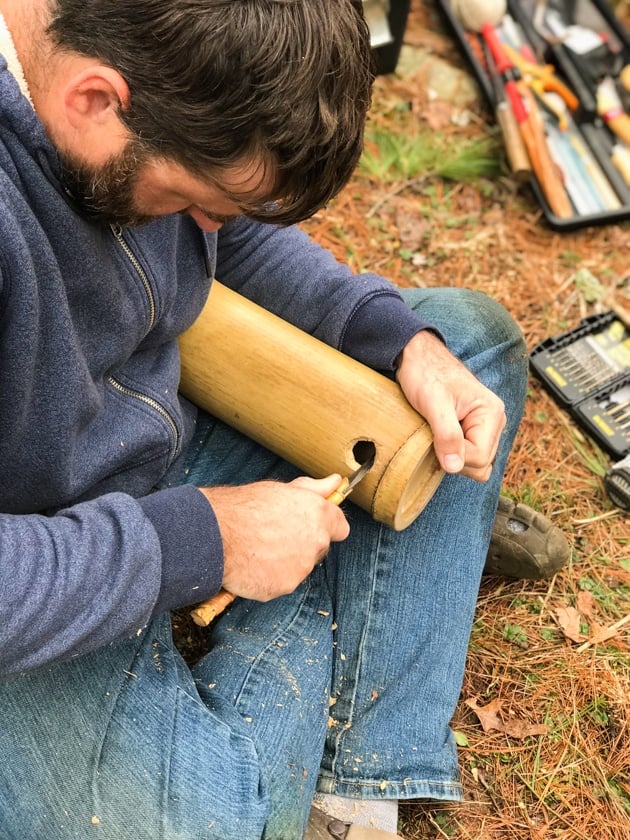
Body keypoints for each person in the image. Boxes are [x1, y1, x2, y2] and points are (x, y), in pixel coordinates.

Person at [0, 2, 565, 839]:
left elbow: (222, 239)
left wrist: (391, 337)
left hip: (153, 423)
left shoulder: (124, 80)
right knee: (204, 824)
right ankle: (344, 578)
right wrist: (202, 542)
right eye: (207, 204)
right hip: (44, 554)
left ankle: (356, 791)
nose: (209, 229)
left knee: (470, 349)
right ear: (95, 100)